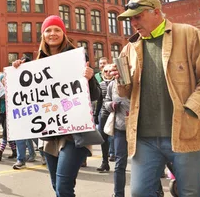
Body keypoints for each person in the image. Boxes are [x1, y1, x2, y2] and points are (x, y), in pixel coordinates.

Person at [112, 0, 200, 197]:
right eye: (131, 18)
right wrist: (120, 78)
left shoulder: (189, 35)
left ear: (156, 12)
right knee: (139, 192)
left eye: (138, 16)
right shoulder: (130, 48)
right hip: (144, 137)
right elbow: (126, 93)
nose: (133, 23)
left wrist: (190, 110)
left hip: (185, 132)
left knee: (189, 193)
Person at [12, 15, 100, 197]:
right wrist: (17, 72)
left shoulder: (77, 56)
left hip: (74, 134)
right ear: (43, 35)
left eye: (57, 29)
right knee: (56, 186)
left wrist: (90, 78)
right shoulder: (36, 64)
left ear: (63, 33)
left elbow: (96, 94)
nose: (53, 34)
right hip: (50, 134)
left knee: (63, 187)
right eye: (48, 30)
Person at [103, 77, 130, 197]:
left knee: (145, 162)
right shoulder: (112, 84)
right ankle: (118, 194)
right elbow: (106, 101)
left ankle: (156, 190)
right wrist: (111, 105)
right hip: (120, 128)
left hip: (139, 128)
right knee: (120, 163)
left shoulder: (137, 80)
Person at [94, 63, 114, 172]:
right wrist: (96, 115)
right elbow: (99, 101)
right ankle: (104, 162)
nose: (108, 73)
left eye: (110, 71)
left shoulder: (118, 83)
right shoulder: (101, 84)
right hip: (104, 114)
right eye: (105, 71)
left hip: (117, 114)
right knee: (103, 139)